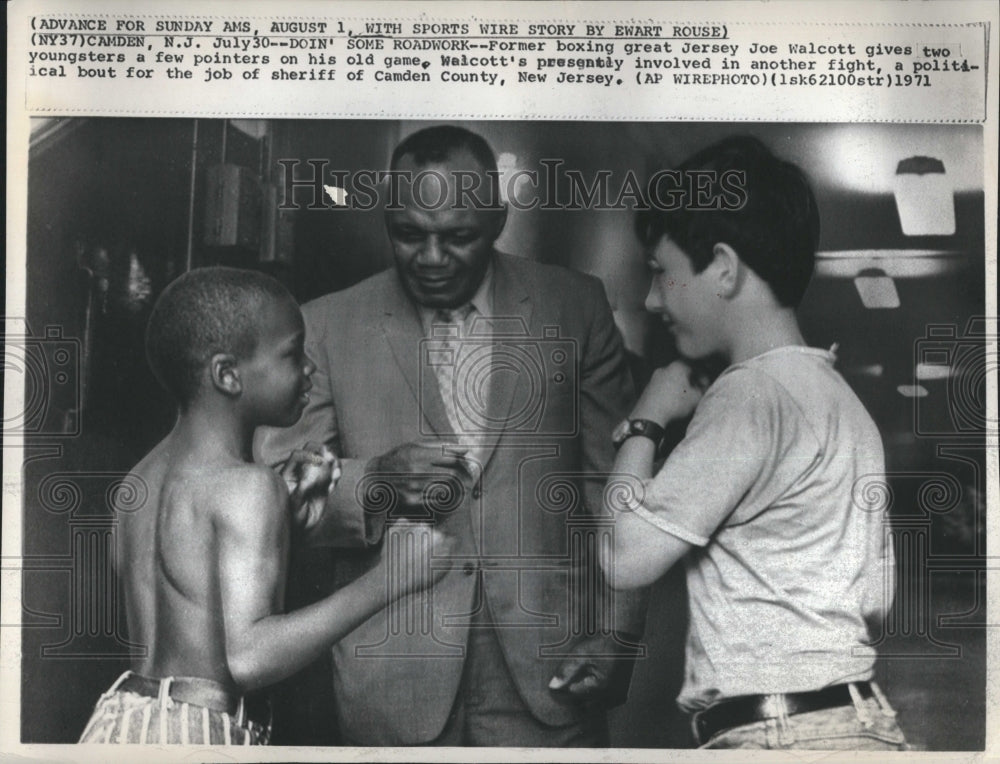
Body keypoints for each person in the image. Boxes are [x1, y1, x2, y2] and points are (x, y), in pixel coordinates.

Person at [256, 125, 647, 746]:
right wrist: (375, 483)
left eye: (458, 236)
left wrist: (620, 631)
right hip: (393, 675)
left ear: (497, 219)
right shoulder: (325, 325)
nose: (431, 259)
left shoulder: (575, 305)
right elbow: (276, 500)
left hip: (551, 672)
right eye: (409, 234)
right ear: (387, 219)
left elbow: (617, 489)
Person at [601, 136, 909, 750]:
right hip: (862, 726)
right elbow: (876, 597)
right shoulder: (842, 403)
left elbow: (622, 558)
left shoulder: (749, 397)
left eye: (662, 272)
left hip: (781, 738)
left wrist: (647, 419)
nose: (651, 298)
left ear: (723, 266)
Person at [79, 267, 452, 745]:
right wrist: (393, 578)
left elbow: (187, 595)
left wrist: (288, 524)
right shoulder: (250, 487)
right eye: (293, 354)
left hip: (121, 722)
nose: (309, 371)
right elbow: (251, 658)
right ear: (228, 375)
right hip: (199, 736)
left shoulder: (139, 481)